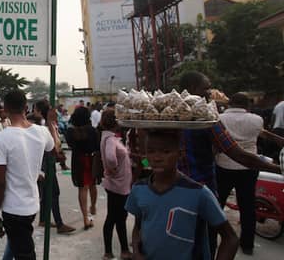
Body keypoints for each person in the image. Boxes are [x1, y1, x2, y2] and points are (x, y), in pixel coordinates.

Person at [178, 71, 280, 256]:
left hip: (174, 191)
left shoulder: (165, 116)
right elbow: (238, 155)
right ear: (192, 88)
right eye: (206, 88)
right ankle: (245, 245)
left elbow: (147, 156)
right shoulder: (208, 119)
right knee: (215, 231)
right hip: (202, 190)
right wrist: (278, 168)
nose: (210, 92)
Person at [126, 129, 238, 260]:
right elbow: (138, 226)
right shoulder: (139, 189)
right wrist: (136, 250)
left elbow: (230, 238)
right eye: (151, 151)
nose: (157, 158)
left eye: (166, 152)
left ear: (180, 154)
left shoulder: (198, 193)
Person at [0, 90, 55, 260]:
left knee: (24, 252)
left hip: (13, 208)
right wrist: (51, 124)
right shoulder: (41, 132)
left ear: (5, 109)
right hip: (32, 204)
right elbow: (54, 148)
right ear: (26, 107)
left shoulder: (1, 138)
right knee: (17, 243)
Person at [215, 93, 263, 255]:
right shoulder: (257, 120)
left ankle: (212, 239)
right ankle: (247, 245)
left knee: (217, 205)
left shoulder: (218, 118)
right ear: (246, 105)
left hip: (223, 165)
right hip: (249, 168)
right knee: (248, 207)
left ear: (230, 103)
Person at [33, 100, 76, 234]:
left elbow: (56, 144)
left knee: (47, 193)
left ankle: (43, 220)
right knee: (53, 193)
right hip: (45, 164)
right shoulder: (44, 127)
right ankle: (59, 224)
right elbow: (49, 145)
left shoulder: (50, 125)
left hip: (49, 162)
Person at [99, 109, 132, 260]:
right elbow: (111, 158)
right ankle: (115, 251)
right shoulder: (111, 140)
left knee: (116, 217)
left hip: (118, 184)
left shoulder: (109, 137)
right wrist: (113, 169)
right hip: (117, 184)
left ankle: (118, 250)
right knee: (115, 217)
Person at [65, 106, 99, 230]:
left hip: (78, 160)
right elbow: (97, 146)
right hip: (91, 159)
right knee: (92, 185)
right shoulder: (92, 130)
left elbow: (69, 145)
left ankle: (85, 217)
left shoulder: (70, 132)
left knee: (82, 189)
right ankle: (93, 206)